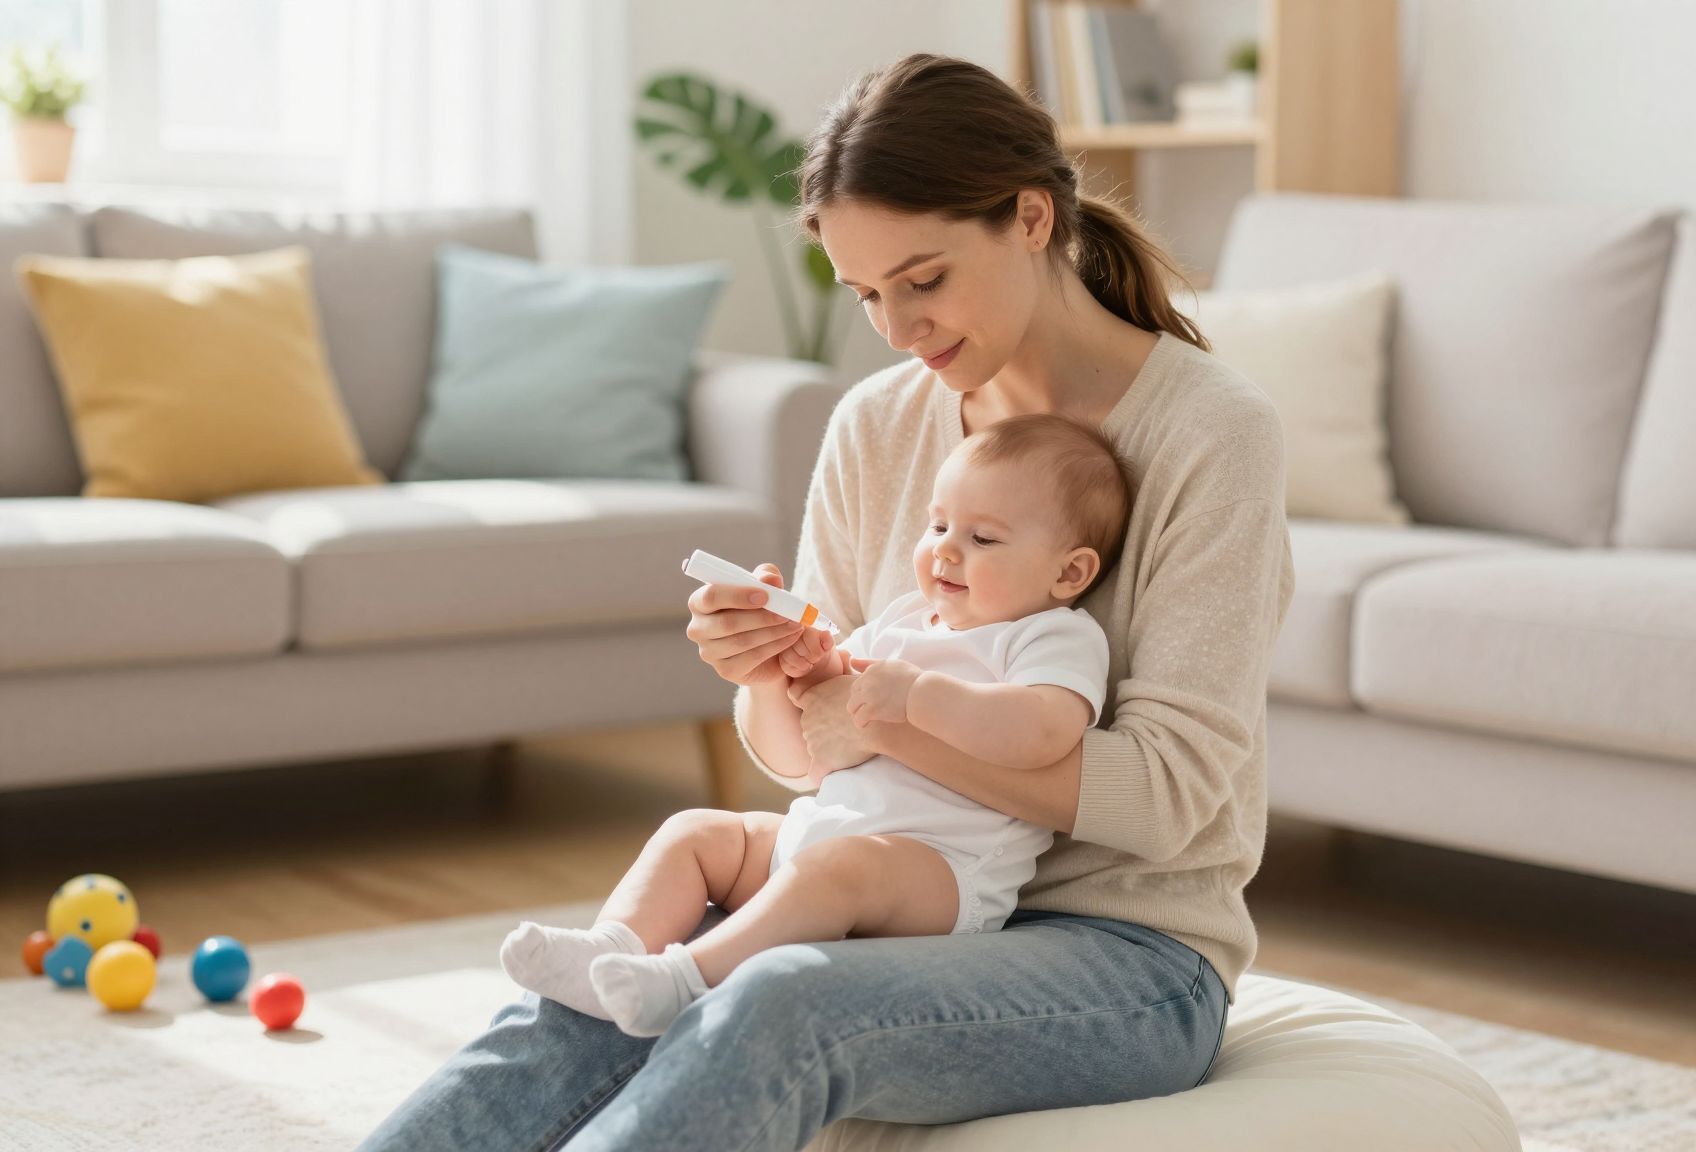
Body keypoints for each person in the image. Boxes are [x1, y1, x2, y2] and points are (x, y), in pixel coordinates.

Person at [358, 52, 1292, 1152]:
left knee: (777, 1000)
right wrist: (770, 674)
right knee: (593, 997)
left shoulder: (1211, 435)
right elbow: (811, 764)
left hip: (1122, 959)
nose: (897, 328)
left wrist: (886, 718)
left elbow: (1166, 800)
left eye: (924, 280)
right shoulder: (878, 424)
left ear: (1031, 219)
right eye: (867, 295)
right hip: (881, 887)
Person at [497, 414, 1126, 1039]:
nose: (945, 549)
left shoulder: (1051, 635)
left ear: (1068, 573)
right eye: (938, 525)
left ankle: (687, 981)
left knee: (837, 869)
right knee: (697, 832)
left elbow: (1043, 734)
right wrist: (807, 668)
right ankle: (611, 948)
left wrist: (917, 696)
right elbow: (816, 747)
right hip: (820, 836)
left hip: (941, 873)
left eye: (983, 538)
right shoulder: (904, 620)